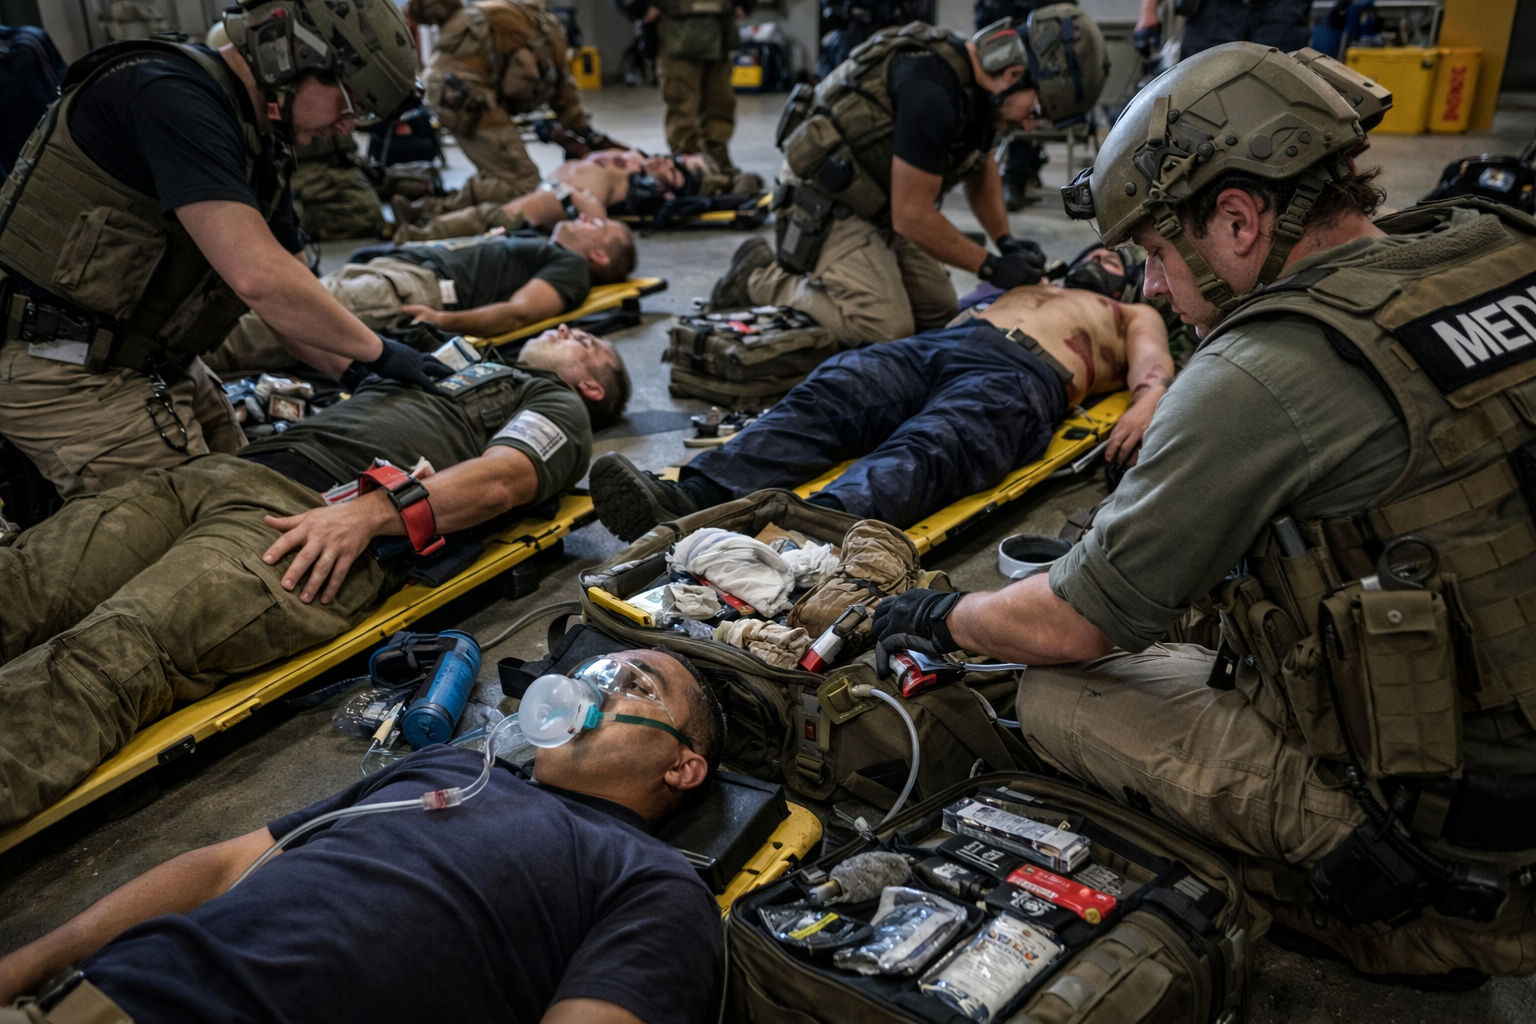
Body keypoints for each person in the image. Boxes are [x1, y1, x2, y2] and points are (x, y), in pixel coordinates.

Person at [878, 42, 1536, 983]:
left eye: (1154, 250)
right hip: (1509, 732)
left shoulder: (1263, 369)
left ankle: (1397, 914)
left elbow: (1072, 621)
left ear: (1237, 218)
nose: (1150, 286)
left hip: (1469, 833)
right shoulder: (1501, 244)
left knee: (1056, 690)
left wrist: (944, 614)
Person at [0, 324, 628, 829]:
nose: (576, 329)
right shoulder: (450, 360)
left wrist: (369, 513)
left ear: (592, 388)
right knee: (21, 580)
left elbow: (504, 478)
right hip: (218, 475)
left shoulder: (553, 401)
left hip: (318, 520)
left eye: (592, 346)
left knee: (115, 650)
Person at [0, 650, 727, 1024]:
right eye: (592, 671)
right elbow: (224, 867)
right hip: (100, 998)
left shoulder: (652, 883)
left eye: (634, 683)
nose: (593, 686)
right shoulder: (446, 765)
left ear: (682, 766)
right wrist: (26, 966)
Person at [0, 0, 447, 502]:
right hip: (67, 373)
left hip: (151, 361)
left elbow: (290, 295)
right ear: (292, 57)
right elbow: (258, 277)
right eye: (350, 104)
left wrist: (353, 370)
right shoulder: (169, 95)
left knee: (259, 489)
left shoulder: (259, 143)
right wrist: (382, 352)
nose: (347, 127)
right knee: (208, 530)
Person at [589, 247, 1170, 539]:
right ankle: (691, 496)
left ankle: (807, 533)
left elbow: (1154, 367)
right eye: (1095, 251)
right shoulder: (1033, 283)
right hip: (941, 346)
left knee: (934, 442)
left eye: (1116, 258)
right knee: (836, 388)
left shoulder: (1129, 310)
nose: (1102, 258)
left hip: (1023, 375)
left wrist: (1147, 401)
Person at [718, 6, 1108, 344]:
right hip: (825, 201)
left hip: (879, 200)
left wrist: (1004, 240)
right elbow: (913, 214)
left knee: (938, 311)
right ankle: (759, 276)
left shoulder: (981, 93)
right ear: (1013, 73)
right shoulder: (931, 91)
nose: (1028, 126)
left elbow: (980, 163)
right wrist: (989, 267)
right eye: (1035, 111)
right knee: (884, 328)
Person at [207, 220, 636, 373]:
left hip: (411, 289)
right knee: (266, 310)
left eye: (599, 224)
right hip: (396, 273)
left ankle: (177, 358)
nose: (587, 216)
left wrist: (442, 320)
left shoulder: (571, 266)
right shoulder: (551, 244)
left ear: (597, 253)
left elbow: (518, 313)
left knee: (260, 321)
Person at [405, 0, 612, 215]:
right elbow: (556, 90)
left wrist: (583, 131)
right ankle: (427, 211)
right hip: (463, 93)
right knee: (523, 184)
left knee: (505, 170)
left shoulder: (510, 16)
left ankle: (428, 203)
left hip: (451, 86)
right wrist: (586, 132)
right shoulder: (544, 42)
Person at [392, 150, 763, 242]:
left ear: (672, 186)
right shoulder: (634, 157)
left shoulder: (640, 187)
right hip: (548, 186)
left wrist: (578, 199)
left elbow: (602, 216)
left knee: (492, 215)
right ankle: (421, 213)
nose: (665, 160)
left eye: (674, 167)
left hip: (556, 198)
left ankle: (417, 235)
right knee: (487, 192)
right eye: (673, 156)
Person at [617, 0, 748, 173]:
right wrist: (637, 8)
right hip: (675, 30)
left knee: (720, 103)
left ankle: (719, 164)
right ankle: (690, 167)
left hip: (719, 28)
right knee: (683, 106)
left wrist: (746, 3)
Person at [1134, 0, 1310, 61]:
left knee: (1284, 83)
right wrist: (1148, 11)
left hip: (1282, 7)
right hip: (1216, 9)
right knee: (1200, 85)